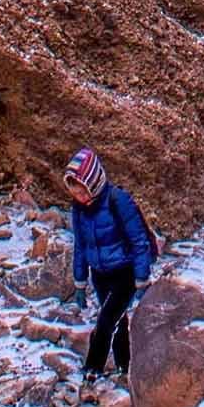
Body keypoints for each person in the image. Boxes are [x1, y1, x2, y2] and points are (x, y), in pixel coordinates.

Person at [63, 146, 157, 388]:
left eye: (81, 190)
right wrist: (80, 282)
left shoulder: (118, 200)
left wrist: (141, 278)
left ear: (93, 183)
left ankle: (92, 369)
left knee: (105, 320)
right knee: (118, 319)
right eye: (74, 191)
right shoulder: (79, 209)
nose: (78, 196)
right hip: (100, 273)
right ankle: (125, 365)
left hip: (124, 271)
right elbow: (81, 245)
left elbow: (138, 240)